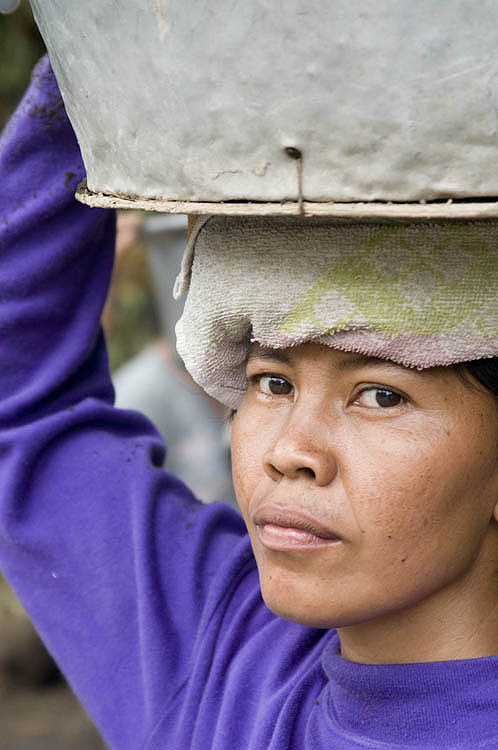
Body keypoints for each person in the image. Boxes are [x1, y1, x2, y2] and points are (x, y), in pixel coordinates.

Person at [1, 56, 498, 750]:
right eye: (273, 382)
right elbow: (18, 404)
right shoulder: (222, 664)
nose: (290, 451)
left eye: (380, 394)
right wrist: (92, 65)